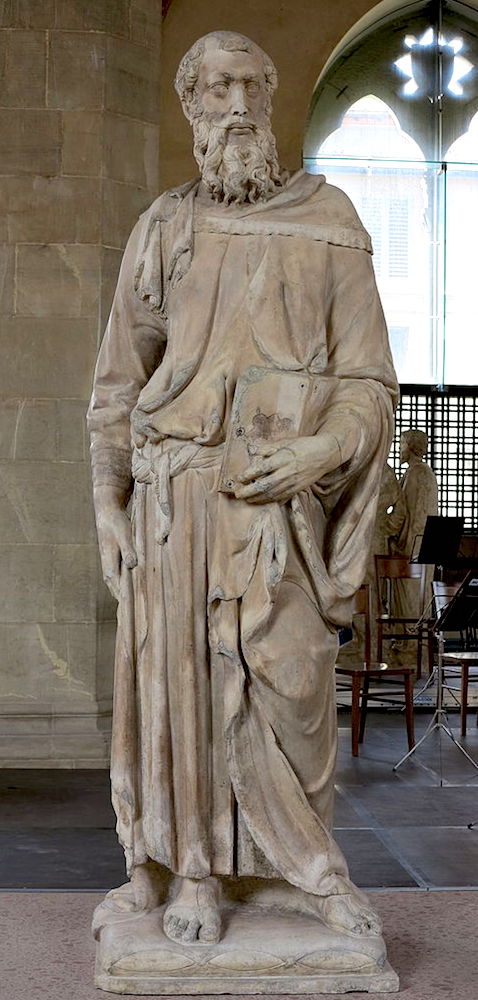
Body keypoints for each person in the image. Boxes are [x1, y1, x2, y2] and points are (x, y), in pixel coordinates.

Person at [88, 30, 398, 947]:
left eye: (248, 87)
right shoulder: (163, 227)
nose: (233, 105)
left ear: (271, 100)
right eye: (213, 89)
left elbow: (369, 382)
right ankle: (187, 870)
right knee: (181, 693)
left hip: (281, 515)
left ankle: (309, 872)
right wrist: (108, 504)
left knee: (293, 687)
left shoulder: (331, 220)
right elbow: (115, 388)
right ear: (190, 110)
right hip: (177, 503)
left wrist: (321, 454)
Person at [392, 429, 438, 622]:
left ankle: (408, 647)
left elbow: (407, 514)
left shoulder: (415, 474)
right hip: (427, 542)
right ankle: (419, 645)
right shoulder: (426, 472)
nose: (399, 449)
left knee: (409, 596)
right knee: (421, 594)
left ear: (411, 447)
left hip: (413, 545)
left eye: (402, 444)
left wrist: (396, 539)